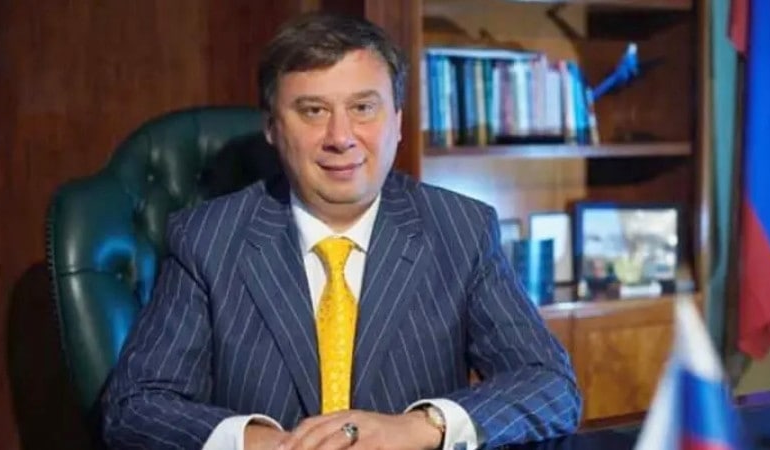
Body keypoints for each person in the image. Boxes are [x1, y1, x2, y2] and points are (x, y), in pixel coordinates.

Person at [102, 12, 581, 450]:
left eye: (363, 108)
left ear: (398, 121)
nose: (341, 137)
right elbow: (135, 406)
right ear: (272, 127)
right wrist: (261, 443)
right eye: (313, 111)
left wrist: (419, 426)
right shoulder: (207, 239)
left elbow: (550, 385)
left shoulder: (461, 230)